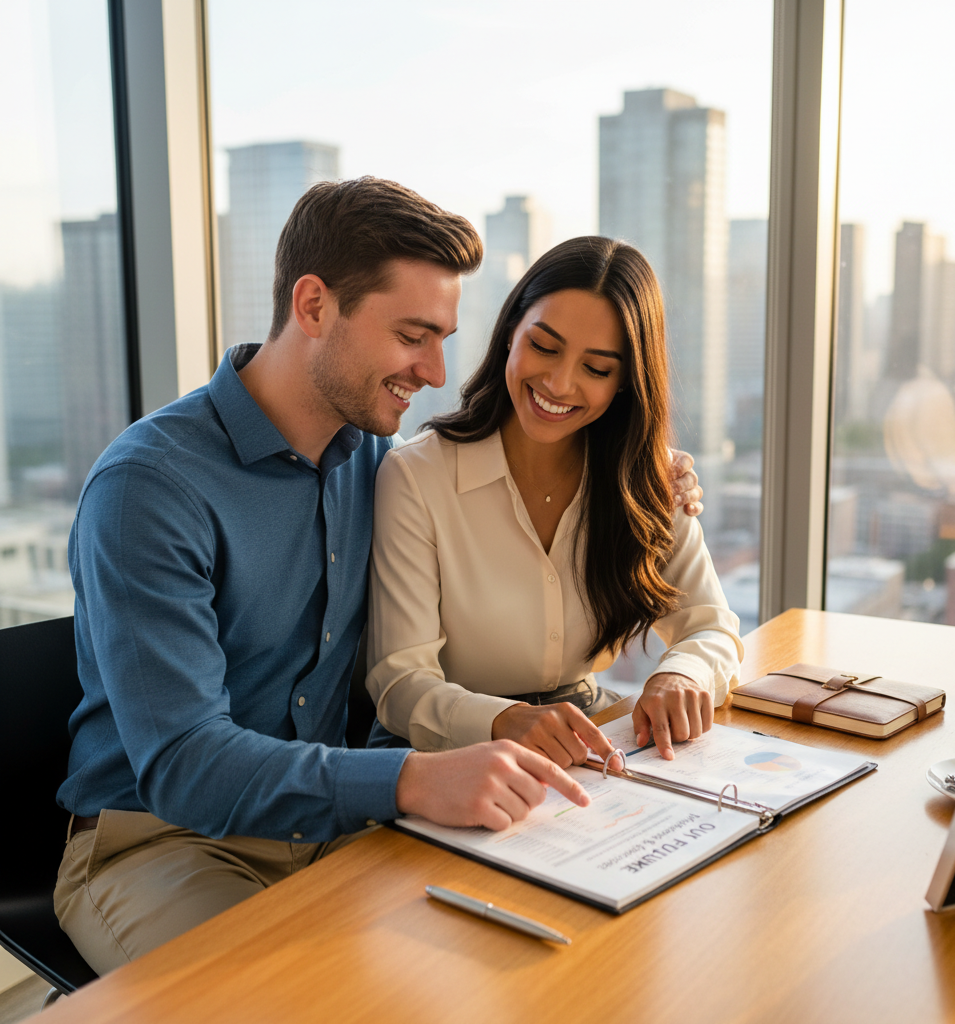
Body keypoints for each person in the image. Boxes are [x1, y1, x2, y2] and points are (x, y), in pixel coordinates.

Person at [53, 177, 603, 975]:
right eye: (414, 334)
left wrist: (651, 472)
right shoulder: (150, 487)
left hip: (334, 828)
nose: (437, 370)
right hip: (165, 841)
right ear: (314, 307)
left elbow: (512, 478)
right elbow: (185, 764)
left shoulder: (378, 463)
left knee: (530, 958)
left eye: (445, 337)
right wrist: (411, 780)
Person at [366, 236, 743, 769]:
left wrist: (682, 673)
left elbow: (710, 624)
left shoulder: (653, 478)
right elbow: (400, 681)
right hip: (450, 755)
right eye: (544, 346)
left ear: (624, 384)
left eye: (596, 368)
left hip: (593, 734)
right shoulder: (417, 479)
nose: (559, 383)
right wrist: (501, 721)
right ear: (509, 335)